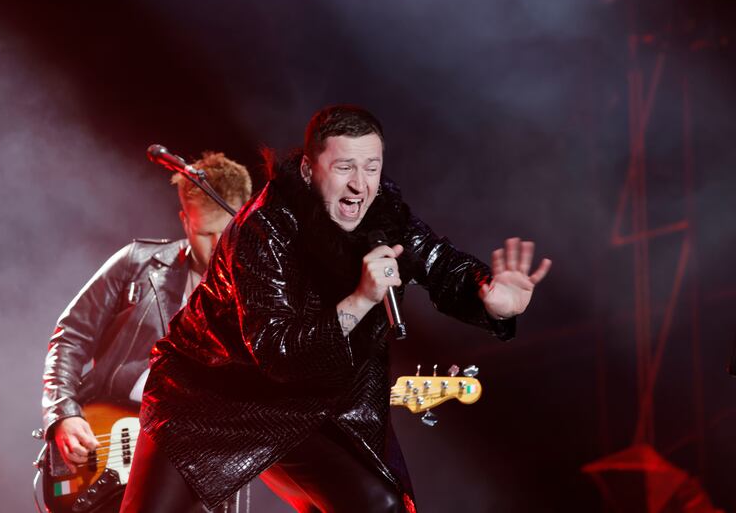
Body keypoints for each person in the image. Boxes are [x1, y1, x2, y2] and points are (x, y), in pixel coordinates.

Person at [122, 105, 552, 513]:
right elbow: (277, 354)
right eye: (344, 167)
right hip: (209, 393)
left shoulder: (384, 213)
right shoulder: (264, 230)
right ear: (309, 170)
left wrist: (488, 296)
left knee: (378, 506)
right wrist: (362, 299)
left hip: (314, 401)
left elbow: (438, 262)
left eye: (371, 167)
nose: (360, 185)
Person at [41, 152, 252, 512]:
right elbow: (71, 336)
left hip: (197, 465)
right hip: (109, 450)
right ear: (185, 221)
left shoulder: (261, 298)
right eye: (205, 233)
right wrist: (63, 413)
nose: (218, 248)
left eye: (227, 233)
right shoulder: (136, 263)